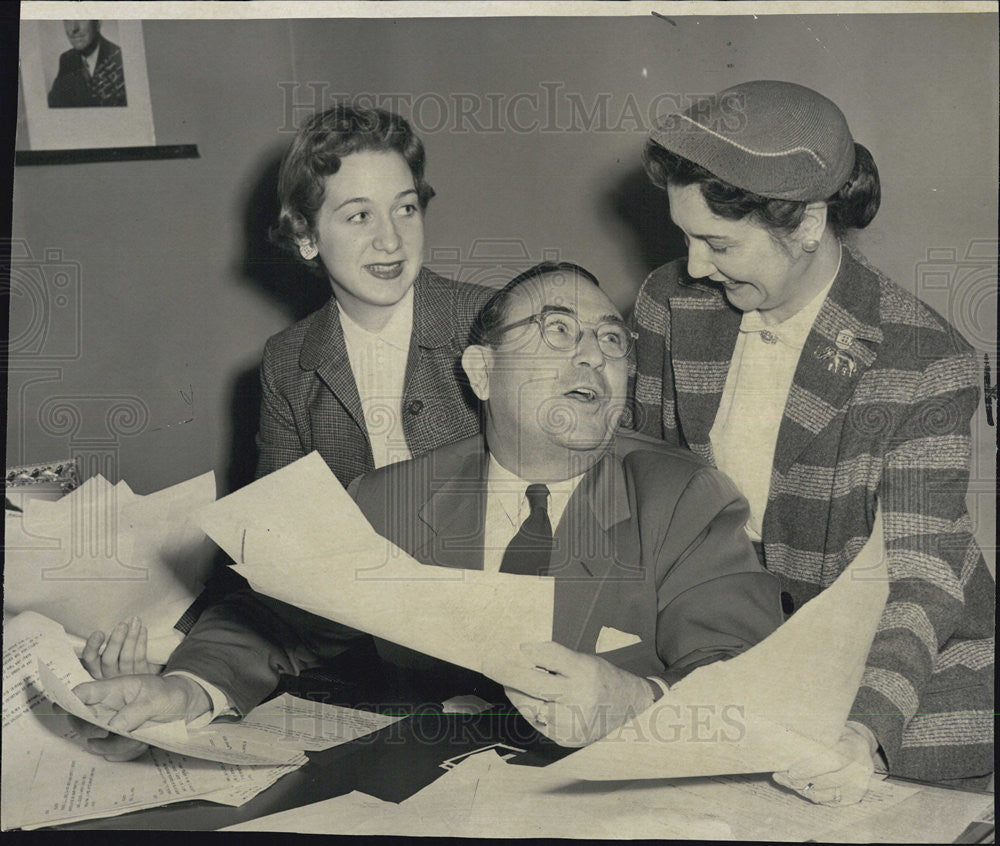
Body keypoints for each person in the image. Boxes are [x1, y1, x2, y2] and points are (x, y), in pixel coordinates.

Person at [73, 262, 783, 755]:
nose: (593, 357)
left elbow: (749, 679)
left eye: (610, 341)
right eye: (558, 332)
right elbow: (269, 623)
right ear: (480, 371)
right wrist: (186, 690)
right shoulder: (393, 498)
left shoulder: (684, 497)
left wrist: (642, 705)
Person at [630, 80, 994, 800]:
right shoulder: (668, 304)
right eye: (686, 237)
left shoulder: (925, 360)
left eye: (719, 242)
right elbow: (644, 503)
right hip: (733, 652)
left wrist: (863, 734)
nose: (696, 266)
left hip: (902, 671)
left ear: (805, 225)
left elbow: (923, 577)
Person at [256, 102, 491, 486]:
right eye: (360, 216)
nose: (391, 240)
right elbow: (279, 521)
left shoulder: (491, 319)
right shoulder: (285, 362)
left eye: (405, 208)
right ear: (305, 236)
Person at [47, 20, 126, 108]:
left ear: (98, 23)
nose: (74, 28)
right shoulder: (66, 59)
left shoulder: (122, 58)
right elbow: (54, 107)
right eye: (68, 20)